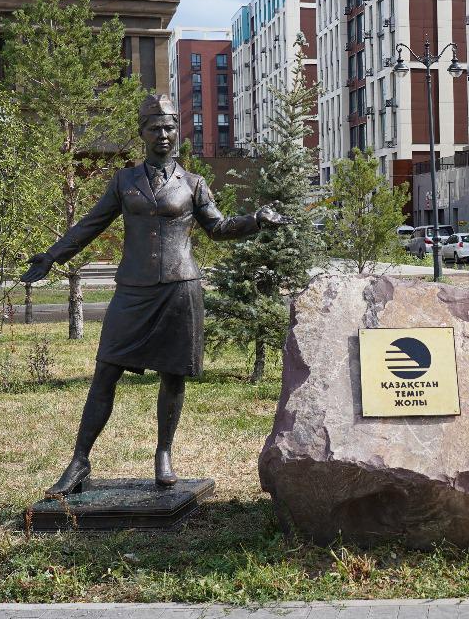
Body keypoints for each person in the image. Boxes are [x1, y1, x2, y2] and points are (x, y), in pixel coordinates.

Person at [21, 94, 288, 496]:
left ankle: (164, 453)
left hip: (180, 288)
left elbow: (217, 227)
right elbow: (90, 225)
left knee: (173, 375)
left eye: (169, 128)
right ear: (141, 134)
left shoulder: (193, 183)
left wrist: (254, 220)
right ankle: (79, 461)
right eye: (155, 129)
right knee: (105, 373)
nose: (164, 135)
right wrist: (52, 257)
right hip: (133, 289)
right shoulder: (124, 181)